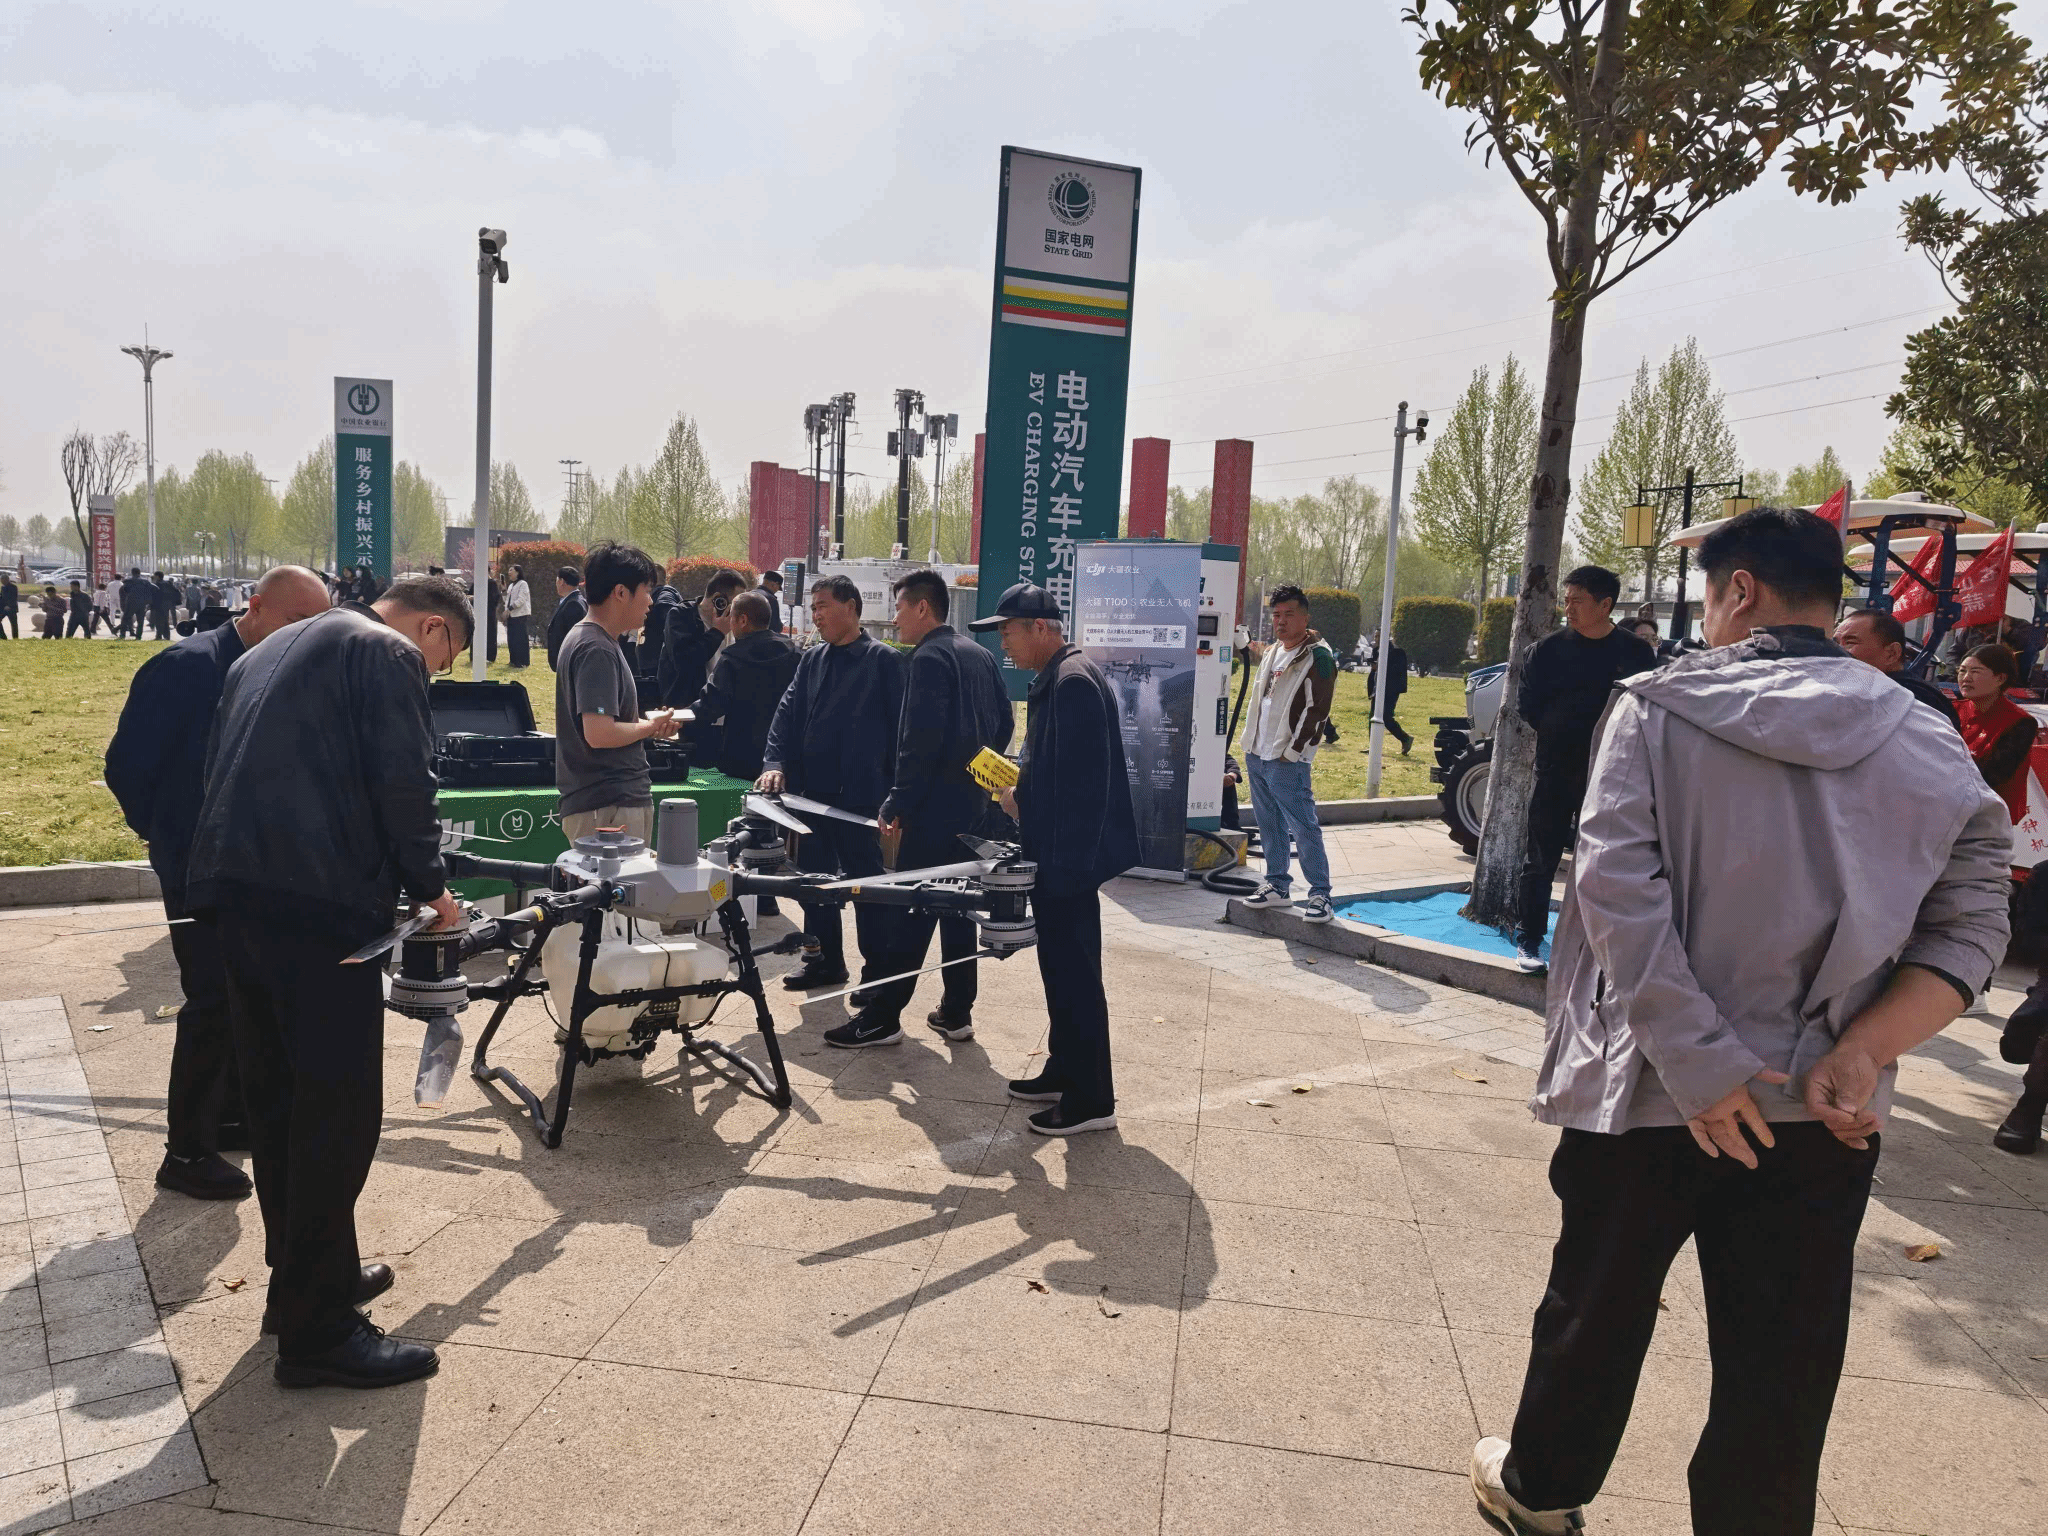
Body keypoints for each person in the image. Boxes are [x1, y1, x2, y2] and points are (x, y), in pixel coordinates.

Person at [1471, 507, 2010, 1536]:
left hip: (1648, 1090)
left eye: (1710, 594)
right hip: (1825, 1103)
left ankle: (1541, 1491)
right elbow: (1976, 919)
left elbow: (1615, 890)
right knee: (1782, 1360)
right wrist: (1866, 1049)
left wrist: (1702, 1060)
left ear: (1741, 590)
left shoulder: (1657, 709)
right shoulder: (1925, 736)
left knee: (1595, 1308)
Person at [183, 573, 473, 1390]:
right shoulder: (387, 654)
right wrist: (432, 888)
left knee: (277, 1104)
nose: (437, 672)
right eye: (446, 659)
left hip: (235, 894)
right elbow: (403, 779)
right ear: (431, 628)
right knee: (335, 1115)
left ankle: (309, 1278)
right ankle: (318, 1333)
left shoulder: (265, 651)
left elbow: (218, 770)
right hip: (317, 905)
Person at [106, 567, 331, 1201]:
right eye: (295, 621)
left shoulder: (287, 669)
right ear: (253, 606)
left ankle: (229, 1116)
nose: (304, 636)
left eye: (315, 626)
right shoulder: (186, 667)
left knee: (244, 995)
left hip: (256, 864)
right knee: (209, 998)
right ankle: (186, 1152)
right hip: (196, 866)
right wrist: (169, 838)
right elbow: (127, 766)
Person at [972, 582, 1139, 1134]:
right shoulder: (1062, 676)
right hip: (1058, 853)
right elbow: (1058, 769)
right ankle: (1065, 1069)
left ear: (1041, 628)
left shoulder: (1072, 683)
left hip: (1068, 859)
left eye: (1009, 632)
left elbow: (1084, 788)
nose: (1004, 644)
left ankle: (1091, 1101)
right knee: (1061, 972)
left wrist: (1021, 802)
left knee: (1076, 977)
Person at [831, 570, 1014, 1049]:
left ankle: (882, 1017)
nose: (895, 619)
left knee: (910, 912)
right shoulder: (979, 654)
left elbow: (919, 741)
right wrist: (978, 777)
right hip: (973, 807)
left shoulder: (928, 658)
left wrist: (898, 800)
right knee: (957, 908)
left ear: (922, 608)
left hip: (932, 812)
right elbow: (1005, 723)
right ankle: (956, 1012)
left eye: (898, 608)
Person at [759, 575, 905, 993]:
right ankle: (823, 962)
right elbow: (786, 713)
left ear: (851, 606)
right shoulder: (813, 659)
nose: (816, 615)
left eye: (823, 605)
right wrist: (774, 762)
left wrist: (897, 796)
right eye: (813, 607)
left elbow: (903, 733)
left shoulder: (884, 661)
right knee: (814, 884)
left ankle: (876, 976)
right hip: (811, 796)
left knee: (866, 886)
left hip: (860, 798)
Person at [1510, 564, 1659, 973]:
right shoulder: (1545, 652)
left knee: (1607, 861)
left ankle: (1601, 947)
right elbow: (1529, 707)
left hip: (1615, 774)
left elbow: (1646, 708)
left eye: (1577, 601)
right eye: (1567, 600)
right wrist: (1565, 733)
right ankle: (1529, 940)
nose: (1569, 608)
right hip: (1557, 770)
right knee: (1540, 859)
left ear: (1605, 605)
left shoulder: (1635, 653)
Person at [554, 542, 680, 846]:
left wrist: (647, 726)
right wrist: (649, 727)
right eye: (647, 590)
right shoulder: (596, 648)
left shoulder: (593, 640)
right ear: (621, 592)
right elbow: (599, 733)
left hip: (606, 805)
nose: (651, 601)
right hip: (609, 807)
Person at [1237, 585, 1340, 923]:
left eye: (1289, 615)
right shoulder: (1273, 652)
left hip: (1286, 759)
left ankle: (1320, 894)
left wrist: (1294, 752)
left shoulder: (1318, 657)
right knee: (1269, 823)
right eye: (1276, 615)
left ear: (1305, 617)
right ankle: (1278, 886)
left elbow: (1318, 711)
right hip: (1258, 752)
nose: (1280, 621)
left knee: (1303, 825)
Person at [690, 591, 798, 783]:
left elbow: (712, 705)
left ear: (742, 620)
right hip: (782, 757)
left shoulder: (732, 658)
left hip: (741, 757)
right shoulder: (793, 653)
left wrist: (678, 720)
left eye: (731, 617)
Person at [1833, 607, 1961, 730]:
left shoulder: (1915, 701)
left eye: (1850, 643)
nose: (1836, 651)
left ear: (1892, 653)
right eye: (1835, 643)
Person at [1956, 642, 2036, 816]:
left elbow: (1994, 775)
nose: (1966, 678)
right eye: (1962, 671)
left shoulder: (2020, 722)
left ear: (2000, 679)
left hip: (1990, 816)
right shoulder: (1952, 710)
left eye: (1975, 672)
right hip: (1951, 807)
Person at [658, 568, 746, 708]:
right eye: (735, 604)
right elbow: (684, 662)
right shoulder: (682, 615)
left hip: (723, 710)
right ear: (719, 600)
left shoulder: (733, 625)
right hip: (689, 709)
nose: (738, 610)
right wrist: (717, 632)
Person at [1366, 634, 1412, 754]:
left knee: (1386, 717)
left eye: (1378, 636)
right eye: (1375, 637)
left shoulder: (1397, 652)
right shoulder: (1376, 650)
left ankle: (1405, 738)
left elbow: (1398, 671)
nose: (1376, 639)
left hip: (1390, 690)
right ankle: (1373, 747)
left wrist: (1381, 667)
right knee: (1372, 717)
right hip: (1377, 689)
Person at [547, 565, 587, 670]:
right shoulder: (573, 600)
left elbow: (574, 638)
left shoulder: (574, 604)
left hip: (569, 662)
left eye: (557, 580)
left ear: (562, 581)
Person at [503, 563, 531, 669]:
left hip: (520, 615)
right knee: (511, 639)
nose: (509, 572)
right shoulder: (511, 586)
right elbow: (506, 600)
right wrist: (503, 590)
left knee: (520, 638)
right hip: (511, 615)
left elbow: (521, 600)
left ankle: (522, 661)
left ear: (518, 572)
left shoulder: (523, 584)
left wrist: (509, 609)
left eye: (511, 570)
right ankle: (513, 660)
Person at [756, 568, 785, 634]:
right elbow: (775, 627)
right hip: (763, 637)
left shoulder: (749, 594)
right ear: (774, 584)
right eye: (778, 587)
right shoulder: (771, 599)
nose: (777, 590)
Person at [149, 570, 175, 639]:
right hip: (166, 605)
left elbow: (153, 595)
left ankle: (159, 635)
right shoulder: (168, 583)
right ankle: (167, 636)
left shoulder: (157, 584)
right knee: (165, 620)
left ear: (157, 576)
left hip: (158, 605)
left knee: (158, 621)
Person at [0, 573, 16, 639]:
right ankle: (3, 637)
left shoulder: (13, 587)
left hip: (11, 608)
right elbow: (2, 598)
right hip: (3, 609)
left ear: (7, 579)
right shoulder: (3, 587)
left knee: (14, 624)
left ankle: (15, 638)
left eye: (2, 580)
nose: (1, 581)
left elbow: (14, 598)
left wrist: (9, 606)